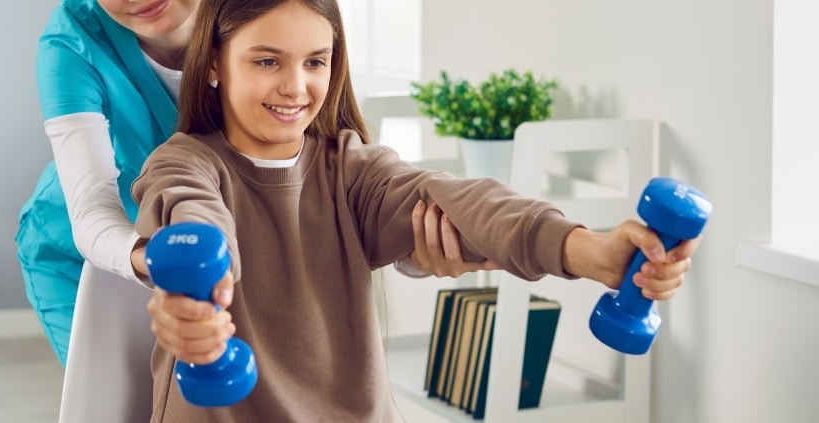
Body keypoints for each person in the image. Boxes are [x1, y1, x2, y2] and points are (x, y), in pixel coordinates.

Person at [130, 0, 700, 420]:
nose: (296, 86)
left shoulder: (350, 168)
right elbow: (195, 218)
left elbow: (458, 200)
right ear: (213, 64)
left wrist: (589, 250)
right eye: (266, 61)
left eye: (316, 62)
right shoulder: (184, 163)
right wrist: (193, 297)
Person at [17, 0, 493, 367]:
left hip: (218, 256)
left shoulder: (268, 15)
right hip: (86, 255)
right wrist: (159, 257)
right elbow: (91, 207)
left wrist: (414, 254)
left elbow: (328, 182)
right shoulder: (73, 44)